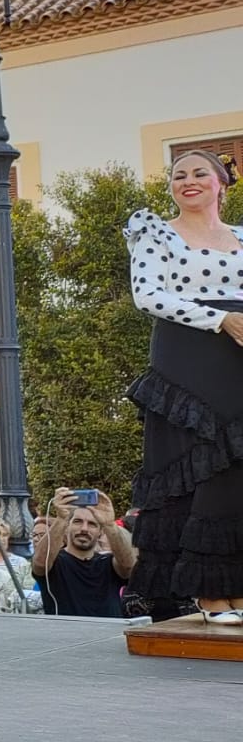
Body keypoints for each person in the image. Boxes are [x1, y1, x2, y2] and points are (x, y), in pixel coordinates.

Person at [125, 149, 243, 625]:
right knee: (204, 461)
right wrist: (221, 320)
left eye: (199, 173)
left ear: (221, 184)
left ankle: (236, 587)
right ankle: (211, 593)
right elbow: (148, 294)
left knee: (237, 466)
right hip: (188, 353)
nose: (187, 181)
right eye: (178, 175)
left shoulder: (241, 237)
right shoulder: (156, 232)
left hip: (238, 350)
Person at [31, 489, 136, 618]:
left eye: (92, 524)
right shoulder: (55, 561)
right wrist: (62, 518)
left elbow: (128, 566)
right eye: (77, 522)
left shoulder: (108, 563)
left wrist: (109, 524)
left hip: (108, 634)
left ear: (100, 532)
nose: (84, 529)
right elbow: (40, 564)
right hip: (65, 635)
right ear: (67, 527)